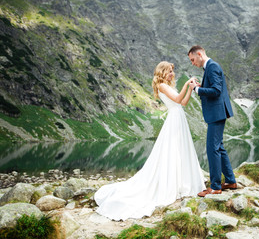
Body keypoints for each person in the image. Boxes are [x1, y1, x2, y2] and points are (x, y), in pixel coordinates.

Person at [94, 61, 206, 221]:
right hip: (174, 119)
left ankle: (181, 183)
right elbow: (177, 97)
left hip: (179, 117)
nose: (172, 74)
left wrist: (190, 88)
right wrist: (187, 83)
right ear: (162, 72)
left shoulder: (167, 85)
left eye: (172, 71)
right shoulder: (161, 85)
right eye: (169, 71)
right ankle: (172, 185)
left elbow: (183, 102)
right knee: (173, 150)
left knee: (181, 151)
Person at [187, 45, 237, 197]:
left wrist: (196, 89)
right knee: (219, 147)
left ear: (200, 54)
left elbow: (216, 91)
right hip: (217, 113)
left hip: (217, 113)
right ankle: (230, 181)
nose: (192, 63)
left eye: (193, 59)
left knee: (212, 148)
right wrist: (203, 86)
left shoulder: (213, 66)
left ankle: (215, 187)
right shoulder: (209, 67)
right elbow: (214, 87)